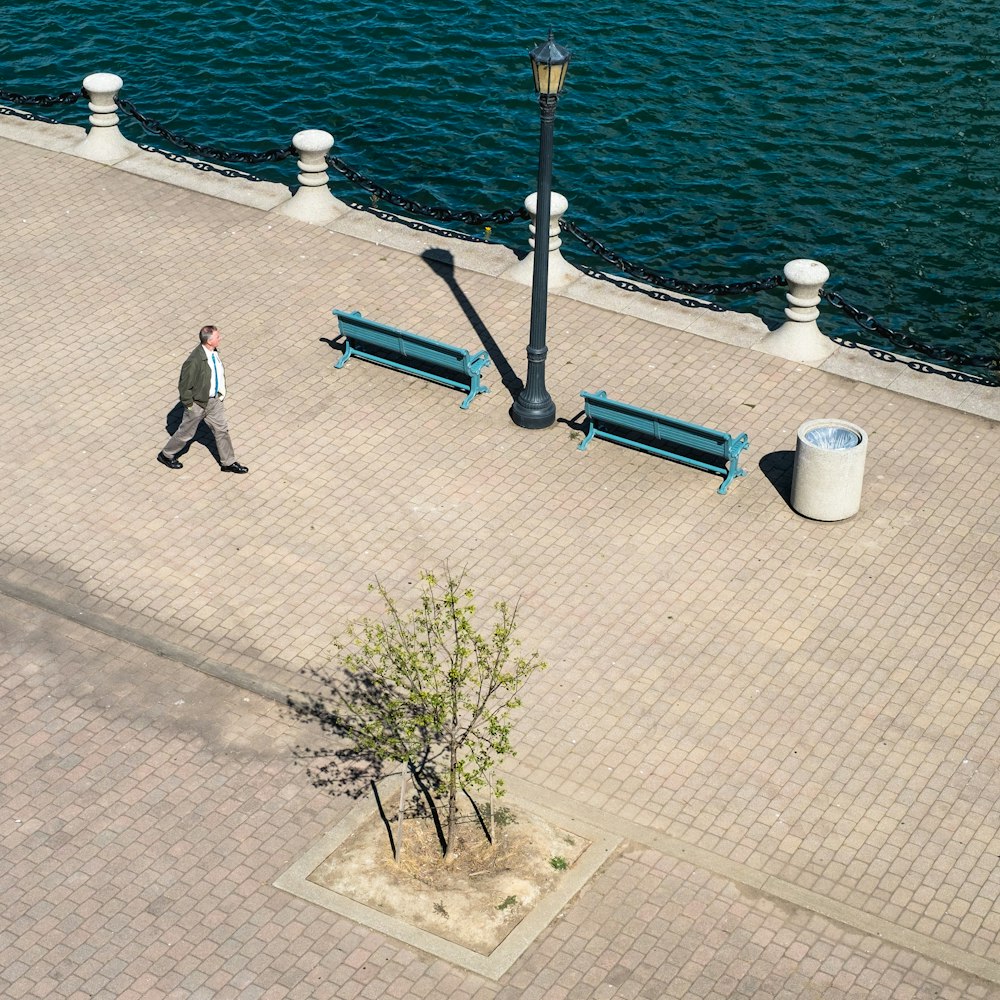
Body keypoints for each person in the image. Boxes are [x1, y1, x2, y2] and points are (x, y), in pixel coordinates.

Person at [157, 325, 249, 474]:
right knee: (186, 433)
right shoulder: (194, 361)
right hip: (198, 404)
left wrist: (220, 394)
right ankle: (166, 455)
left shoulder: (213, 353)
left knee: (222, 430)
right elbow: (184, 385)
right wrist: (189, 404)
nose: (220, 338)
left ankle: (228, 462)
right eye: (217, 337)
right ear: (209, 341)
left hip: (214, 401)